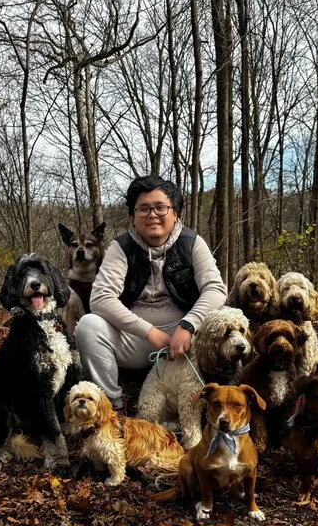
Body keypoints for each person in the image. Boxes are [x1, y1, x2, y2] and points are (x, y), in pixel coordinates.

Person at [75, 175, 228, 410]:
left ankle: (224, 402)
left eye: (160, 207)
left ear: (175, 213)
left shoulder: (192, 243)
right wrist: (148, 331)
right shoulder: (121, 248)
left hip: (188, 338)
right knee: (88, 325)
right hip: (135, 339)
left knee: (227, 316)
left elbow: (215, 289)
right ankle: (113, 408)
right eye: (143, 209)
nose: (152, 215)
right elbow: (101, 297)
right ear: (132, 216)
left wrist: (188, 325)